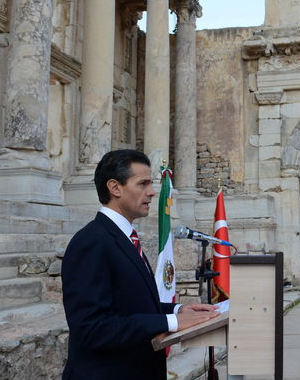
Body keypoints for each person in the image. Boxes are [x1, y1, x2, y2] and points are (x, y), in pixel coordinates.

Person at [61, 150, 218, 379]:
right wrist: (171, 322)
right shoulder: (91, 242)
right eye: (143, 184)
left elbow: (131, 305)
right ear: (115, 188)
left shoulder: (123, 237)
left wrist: (178, 310)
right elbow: (92, 328)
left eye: (151, 184)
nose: (152, 192)